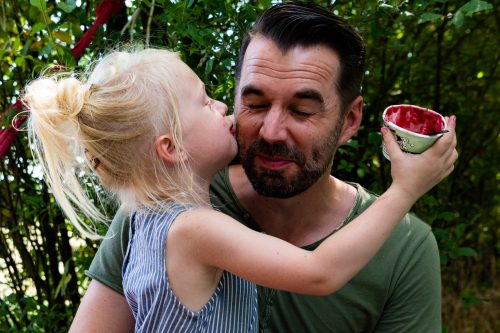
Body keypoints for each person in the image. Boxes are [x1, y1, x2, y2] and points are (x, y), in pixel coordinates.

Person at [68, 2, 459, 333]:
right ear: (168, 147)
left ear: (351, 121)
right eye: (254, 103)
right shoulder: (156, 207)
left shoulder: (404, 249)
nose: (271, 131)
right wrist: (405, 191)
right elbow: (319, 272)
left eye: (302, 110)